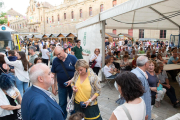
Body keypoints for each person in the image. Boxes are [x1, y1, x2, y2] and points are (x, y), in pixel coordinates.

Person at [51, 46, 78, 119]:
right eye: (57, 55)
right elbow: (53, 75)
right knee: (62, 104)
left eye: (59, 54)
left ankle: (73, 118)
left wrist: (72, 80)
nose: (58, 56)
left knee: (73, 103)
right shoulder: (55, 60)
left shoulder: (72, 58)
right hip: (61, 86)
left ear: (63, 50)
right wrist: (53, 88)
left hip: (72, 86)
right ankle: (62, 118)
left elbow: (78, 71)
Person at [131, 56, 151, 120]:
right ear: (145, 64)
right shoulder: (140, 76)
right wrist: (143, 114)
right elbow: (139, 97)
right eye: (148, 62)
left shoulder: (134, 71)